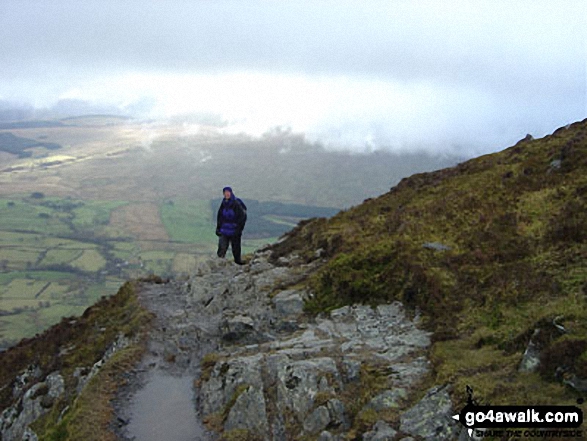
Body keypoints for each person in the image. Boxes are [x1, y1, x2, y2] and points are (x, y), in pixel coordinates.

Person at [216, 186, 246, 265]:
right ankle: (219, 264)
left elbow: (242, 217)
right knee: (222, 247)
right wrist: (218, 228)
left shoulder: (236, 203)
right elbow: (220, 216)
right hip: (224, 229)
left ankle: (238, 262)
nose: (227, 194)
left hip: (234, 230)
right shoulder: (223, 203)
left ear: (231, 193)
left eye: (228, 192)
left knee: (235, 247)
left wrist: (239, 229)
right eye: (225, 193)